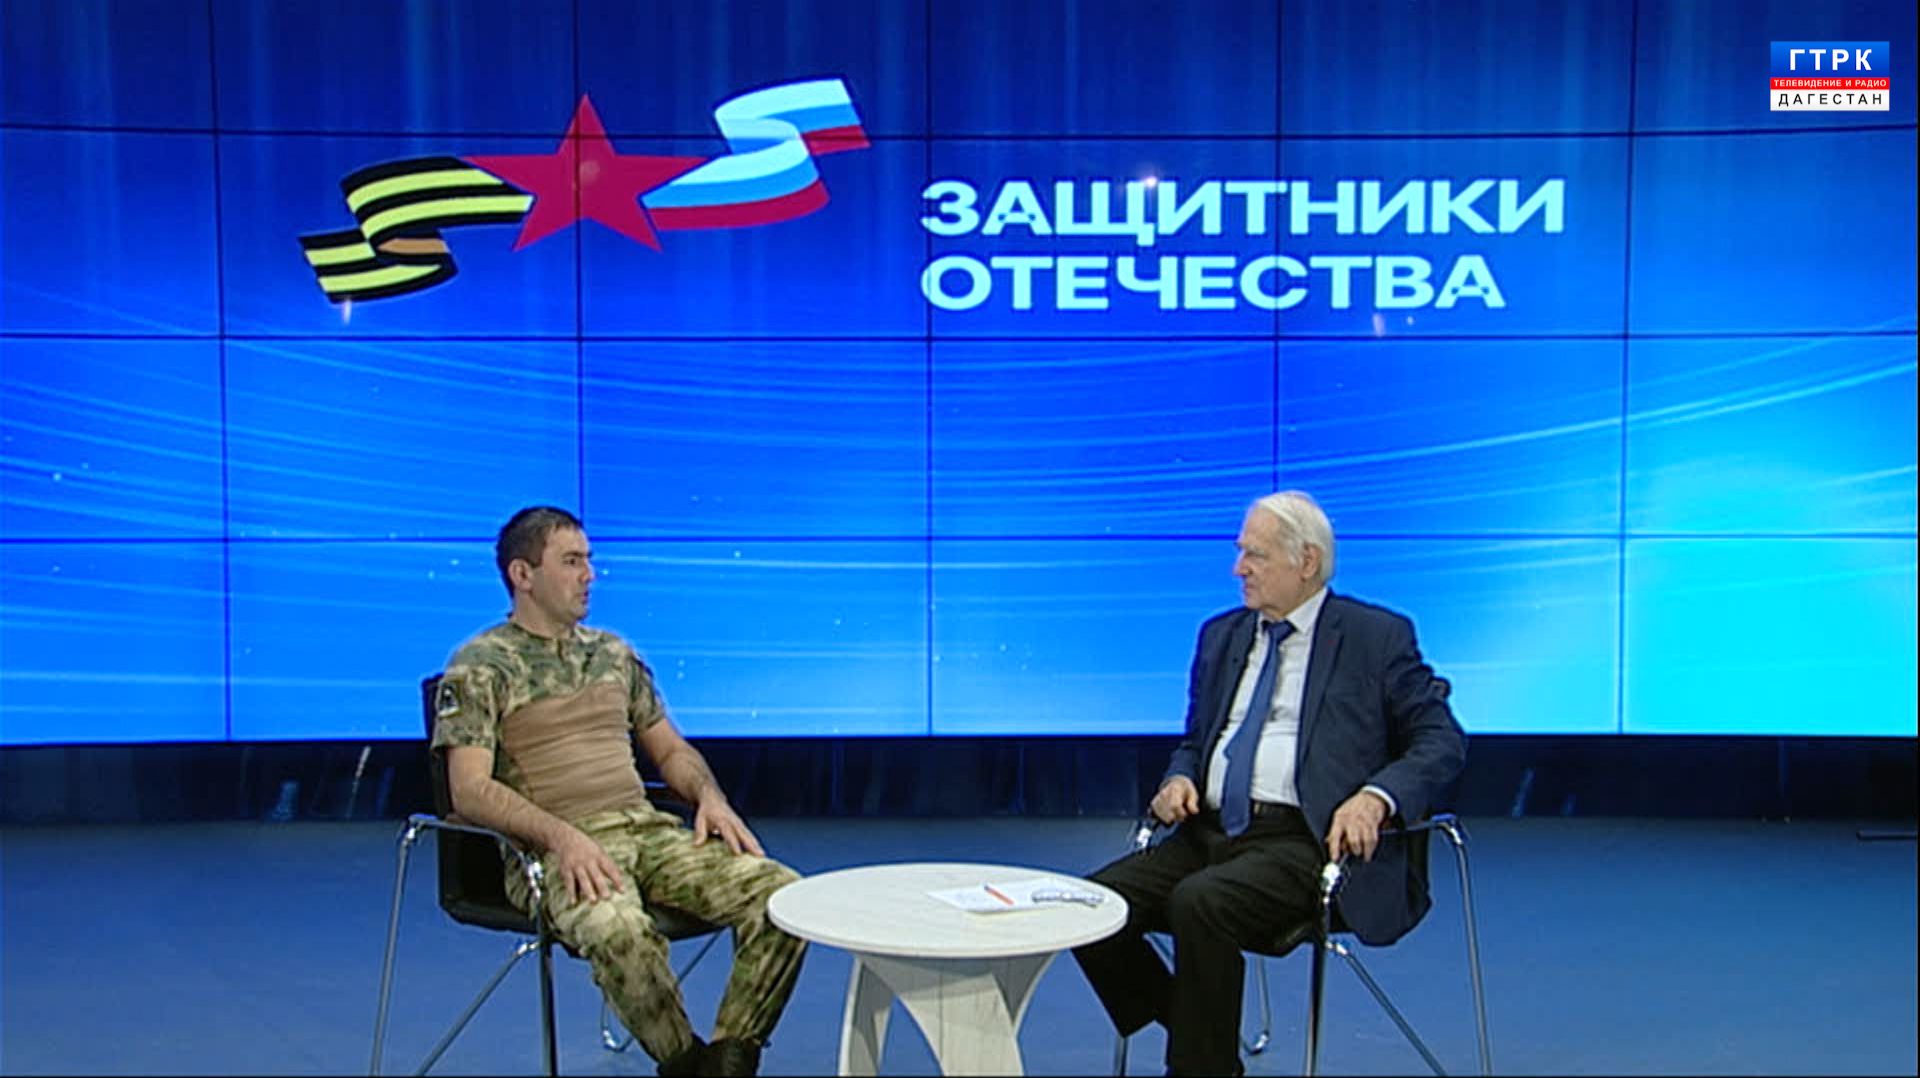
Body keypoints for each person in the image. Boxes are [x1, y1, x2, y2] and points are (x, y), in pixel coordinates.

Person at [1072, 491, 1467, 1076]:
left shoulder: (1375, 637)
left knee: (1199, 904)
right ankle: (1197, 1031)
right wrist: (1179, 777)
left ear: (1307, 562)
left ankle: (1202, 1064)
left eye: (1254, 555)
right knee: (1093, 907)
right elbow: (1196, 742)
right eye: (1240, 553)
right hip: (1208, 831)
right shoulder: (1221, 635)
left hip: (1306, 840)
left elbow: (1440, 740)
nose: (1239, 569)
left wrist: (1375, 798)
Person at [432, 506, 805, 1077]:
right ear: (522, 574)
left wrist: (710, 797)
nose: (590, 575)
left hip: (646, 831)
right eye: (571, 562)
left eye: (589, 560)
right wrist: (562, 838)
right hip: (556, 851)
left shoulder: (613, 654)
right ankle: (685, 1062)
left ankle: (730, 1059)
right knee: (619, 931)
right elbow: (470, 791)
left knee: (783, 897)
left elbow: (672, 752)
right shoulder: (481, 666)